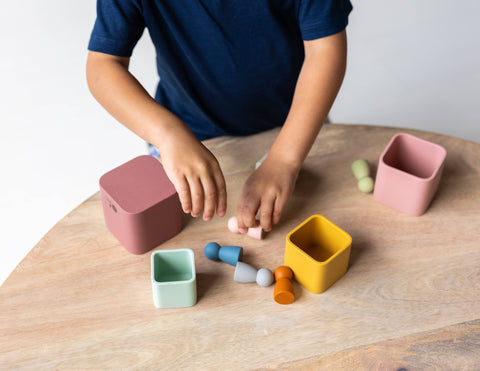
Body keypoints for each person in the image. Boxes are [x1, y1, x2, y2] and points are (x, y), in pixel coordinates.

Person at [86, 0, 352, 233]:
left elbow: (325, 49)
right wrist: (168, 137)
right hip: (183, 136)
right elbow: (103, 65)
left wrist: (285, 159)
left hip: (292, 128)